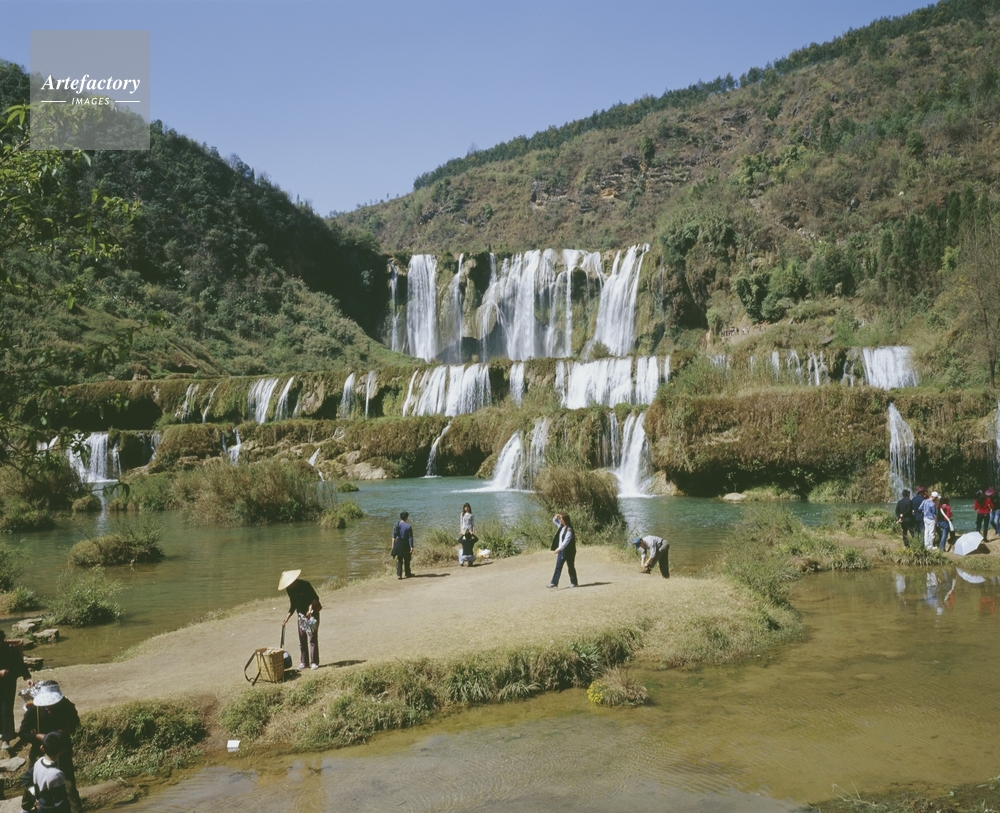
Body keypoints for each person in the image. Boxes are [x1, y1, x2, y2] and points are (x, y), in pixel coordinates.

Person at [16, 681, 81, 813]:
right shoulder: (34, 710)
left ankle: (77, 810)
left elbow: (75, 721)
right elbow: (23, 733)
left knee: (69, 783)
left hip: (62, 749)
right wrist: (37, 736)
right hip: (40, 750)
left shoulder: (65, 705)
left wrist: (65, 730)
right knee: (34, 778)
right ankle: (26, 807)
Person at [280, 569, 321, 670]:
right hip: (301, 615)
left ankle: (314, 662)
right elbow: (293, 605)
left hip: (312, 614)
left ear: (293, 581)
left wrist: (310, 609)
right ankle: (304, 662)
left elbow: (315, 598)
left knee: (312, 638)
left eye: (289, 584)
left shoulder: (305, 585)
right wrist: (286, 619)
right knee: (302, 639)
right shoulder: (289, 590)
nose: (288, 586)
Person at [24, 731, 69, 812]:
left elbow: (25, 778)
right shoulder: (56, 775)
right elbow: (60, 803)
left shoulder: (38, 763)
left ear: (42, 748)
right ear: (62, 751)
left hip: (42, 807)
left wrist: (35, 792)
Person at [0, 630, 30, 750]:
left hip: (8, 683)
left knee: (6, 709)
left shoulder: (10, 649)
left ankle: (6, 738)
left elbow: (19, 664)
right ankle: (4, 731)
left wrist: (27, 677)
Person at [548, 513, 578, 588]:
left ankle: (574, 582)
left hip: (569, 551)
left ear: (565, 520)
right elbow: (554, 520)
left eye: (561, 519)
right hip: (562, 551)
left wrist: (558, 549)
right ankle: (554, 583)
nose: (560, 520)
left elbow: (566, 542)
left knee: (570, 567)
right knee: (558, 567)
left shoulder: (569, 530)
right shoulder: (561, 527)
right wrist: (557, 516)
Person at [392, 511, 414, 579]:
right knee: (407, 559)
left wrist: (393, 546)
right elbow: (410, 538)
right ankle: (407, 573)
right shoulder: (408, 526)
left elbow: (394, 537)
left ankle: (399, 574)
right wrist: (411, 546)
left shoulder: (397, 524)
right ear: (406, 517)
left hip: (398, 543)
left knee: (400, 559)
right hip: (405, 543)